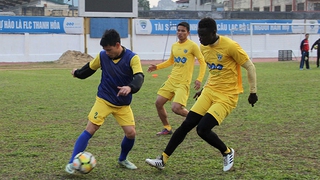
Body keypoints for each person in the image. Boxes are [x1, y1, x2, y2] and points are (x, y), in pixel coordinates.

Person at [145, 17, 258, 172]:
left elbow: (250, 67)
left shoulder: (230, 46)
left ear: (213, 33)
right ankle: (162, 159)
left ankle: (227, 152)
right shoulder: (204, 47)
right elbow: (213, 71)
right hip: (209, 91)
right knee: (186, 125)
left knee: (202, 129)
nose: (201, 39)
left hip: (227, 95)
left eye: (204, 36)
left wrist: (253, 92)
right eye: (199, 35)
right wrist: (204, 88)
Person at [65, 29, 144, 174]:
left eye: (109, 49)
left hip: (122, 104)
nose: (107, 52)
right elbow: (89, 68)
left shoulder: (132, 58)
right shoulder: (102, 56)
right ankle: (72, 163)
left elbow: (139, 76)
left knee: (131, 133)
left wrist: (130, 87)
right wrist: (77, 73)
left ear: (118, 45)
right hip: (104, 100)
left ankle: (122, 159)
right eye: (105, 50)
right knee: (90, 129)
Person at [147, 22, 206, 135]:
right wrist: (157, 67)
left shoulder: (192, 46)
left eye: (183, 31)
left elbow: (202, 61)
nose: (180, 33)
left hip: (183, 83)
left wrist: (199, 79)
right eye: (178, 30)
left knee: (176, 108)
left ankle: (198, 120)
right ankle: (167, 128)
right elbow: (171, 61)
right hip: (172, 80)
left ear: (188, 32)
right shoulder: (174, 46)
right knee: (158, 103)